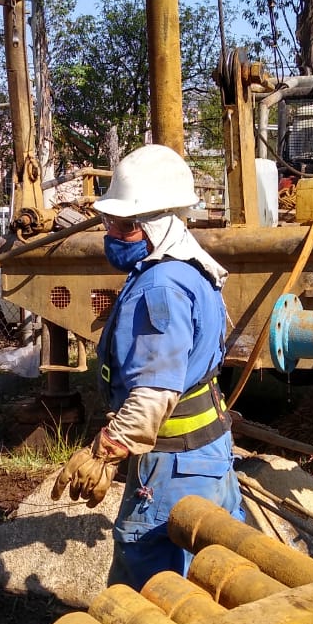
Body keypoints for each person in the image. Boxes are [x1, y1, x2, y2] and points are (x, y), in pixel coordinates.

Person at [51, 144, 243, 589]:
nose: (110, 232)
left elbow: (155, 391)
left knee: (148, 587)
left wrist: (105, 451)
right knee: (212, 573)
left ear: (150, 225)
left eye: (120, 224)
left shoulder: (159, 286)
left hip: (174, 468)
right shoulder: (189, 267)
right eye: (109, 221)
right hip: (207, 456)